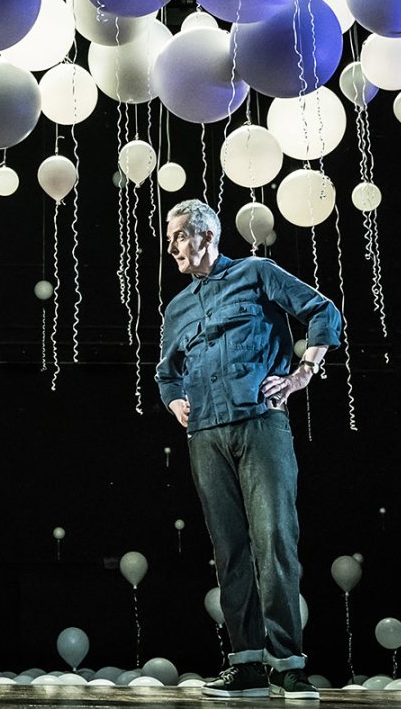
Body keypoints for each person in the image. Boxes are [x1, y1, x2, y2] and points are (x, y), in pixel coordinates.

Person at [155, 199, 341, 701]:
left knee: (274, 538)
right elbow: (166, 373)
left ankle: (288, 666)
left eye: (178, 236)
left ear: (206, 235)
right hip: (205, 436)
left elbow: (323, 312)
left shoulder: (256, 273)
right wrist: (175, 401)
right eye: (170, 239)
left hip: (260, 424)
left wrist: (303, 373)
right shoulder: (177, 308)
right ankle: (247, 665)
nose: (172, 248)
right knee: (229, 549)